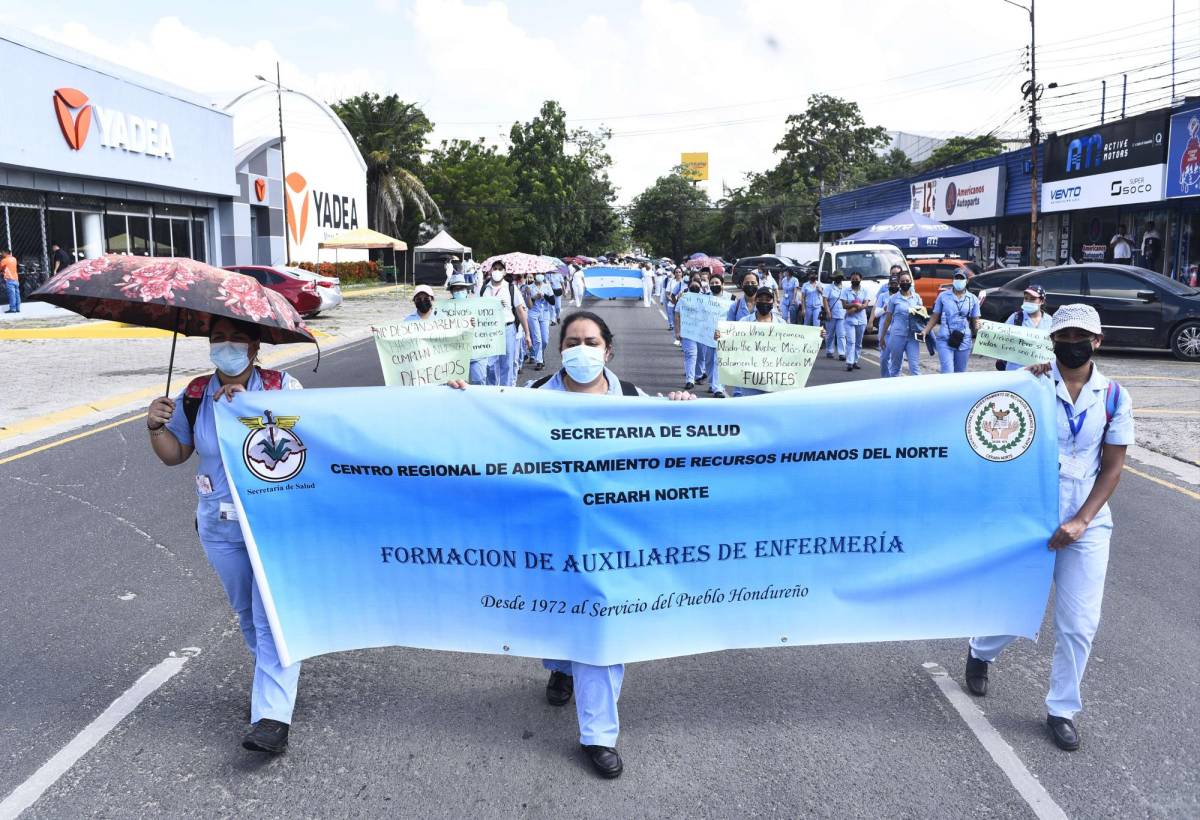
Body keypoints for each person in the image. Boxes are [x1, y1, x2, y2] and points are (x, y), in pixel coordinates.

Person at [450, 312, 694, 779]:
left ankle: (599, 735)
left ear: (608, 349)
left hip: (612, 541)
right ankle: (561, 666)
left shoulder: (633, 401)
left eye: (591, 341)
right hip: (550, 536)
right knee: (561, 615)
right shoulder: (528, 401)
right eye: (573, 341)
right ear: (560, 348)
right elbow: (487, 433)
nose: (582, 349)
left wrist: (682, 405)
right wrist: (465, 402)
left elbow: (675, 438)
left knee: (603, 624)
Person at [966, 303, 1132, 753]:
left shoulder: (1114, 396)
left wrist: (1081, 521)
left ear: (1097, 342)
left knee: (1079, 622)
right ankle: (981, 651)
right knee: (1018, 603)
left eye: (1082, 337)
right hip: (1032, 510)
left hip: (1088, 519)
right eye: (1065, 337)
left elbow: (1113, 468)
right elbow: (994, 430)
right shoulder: (1032, 384)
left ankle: (1062, 709)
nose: (1072, 344)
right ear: (1052, 341)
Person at [145, 317, 304, 754]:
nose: (226, 346)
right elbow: (175, 455)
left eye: (237, 339)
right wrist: (156, 427)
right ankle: (275, 675)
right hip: (217, 524)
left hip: (273, 523)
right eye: (218, 340)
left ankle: (272, 715)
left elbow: (307, 445)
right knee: (247, 615)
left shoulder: (281, 386)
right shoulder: (195, 393)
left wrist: (254, 409)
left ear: (255, 345)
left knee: (269, 615)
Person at [716, 286, 785, 397]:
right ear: (755, 301)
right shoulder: (744, 322)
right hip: (750, 378)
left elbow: (792, 346)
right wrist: (721, 336)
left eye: (768, 300)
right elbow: (732, 341)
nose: (764, 302)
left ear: (773, 301)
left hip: (773, 378)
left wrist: (818, 335)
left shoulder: (781, 324)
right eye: (761, 299)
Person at [478, 261, 531, 386]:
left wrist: (527, 333)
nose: (497, 271)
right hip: (489, 331)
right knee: (490, 365)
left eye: (500, 269)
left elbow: (520, 311)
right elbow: (477, 309)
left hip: (507, 329)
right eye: (494, 268)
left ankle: (505, 392)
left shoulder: (511, 288)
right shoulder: (484, 289)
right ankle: (492, 392)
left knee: (507, 364)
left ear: (505, 272)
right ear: (490, 271)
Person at [923, 272, 980, 374]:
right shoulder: (943, 296)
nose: (958, 281)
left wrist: (980, 331)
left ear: (966, 281)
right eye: (956, 278)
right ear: (953, 280)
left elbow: (975, 320)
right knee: (947, 372)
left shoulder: (973, 299)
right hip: (945, 338)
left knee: (959, 373)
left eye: (961, 278)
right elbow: (935, 316)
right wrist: (925, 331)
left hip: (964, 339)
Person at [879, 273, 925, 377]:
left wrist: (924, 331)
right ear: (899, 283)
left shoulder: (916, 297)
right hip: (897, 336)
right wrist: (882, 337)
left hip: (912, 337)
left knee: (915, 367)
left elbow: (922, 317)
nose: (905, 283)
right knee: (895, 367)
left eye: (907, 281)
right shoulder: (894, 298)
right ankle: (893, 390)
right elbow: (888, 319)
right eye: (902, 281)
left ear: (911, 282)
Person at [995, 285, 1050, 371]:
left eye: (1032, 299)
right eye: (1026, 298)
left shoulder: (1050, 321)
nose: (1028, 302)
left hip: (1040, 372)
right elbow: (1001, 339)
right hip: (1015, 370)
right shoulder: (1015, 318)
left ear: (1041, 301)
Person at [841, 271, 870, 371]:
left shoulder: (865, 290)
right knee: (851, 341)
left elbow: (866, 304)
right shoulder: (845, 291)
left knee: (858, 343)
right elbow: (844, 305)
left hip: (861, 319)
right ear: (850, 280)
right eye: (853, 279)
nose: (855, 281)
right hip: (850, 320)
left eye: (856, 279)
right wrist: (855, 305)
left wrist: (855, 309)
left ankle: (855, 361)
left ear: (860, 279)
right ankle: (849, 362)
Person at [527, 273, 555, 371]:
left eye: (541, 274)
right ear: (534, 276)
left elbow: (553, 301)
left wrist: (544, 295)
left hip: (545, 313)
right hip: (533, 313)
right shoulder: (529, 287)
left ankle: (540, 353)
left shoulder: (547, 286)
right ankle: (539, 361)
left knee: (545, 340)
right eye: (537, 274)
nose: (539, 276)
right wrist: (534, 297)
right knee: (537, 338)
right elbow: (529, 305)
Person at [874, 275, 901, 377]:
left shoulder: (901, 296)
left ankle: (895, 379)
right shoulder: (882, 296)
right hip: (885, 331)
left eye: (896, 284)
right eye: (892, 284)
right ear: (888, 285)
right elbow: (876, 313)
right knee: (884, 358)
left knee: (897, 357)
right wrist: (885, 309)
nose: (894, 286)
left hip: (897, 331)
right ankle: (885, 378)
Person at [823, 271, 847, 360]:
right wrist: (828, 312)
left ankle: (842, 353)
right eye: (837, 277)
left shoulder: (845, 289)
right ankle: (829, 350)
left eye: (840, 277)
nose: (838, 279)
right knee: (830, 334)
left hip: (842, 314)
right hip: (831, 314)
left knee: (841, 334)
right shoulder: (828, 288)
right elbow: (825, 300)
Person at [2, 249, 19, 313]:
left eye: (2, 253)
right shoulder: (14, 259)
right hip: (16, 279)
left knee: (11, 295)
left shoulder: (4, 260)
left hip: (9, 279)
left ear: (5, 253)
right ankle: (18, 308)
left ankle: (12, 309)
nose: (2, 254)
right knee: (17, 294)